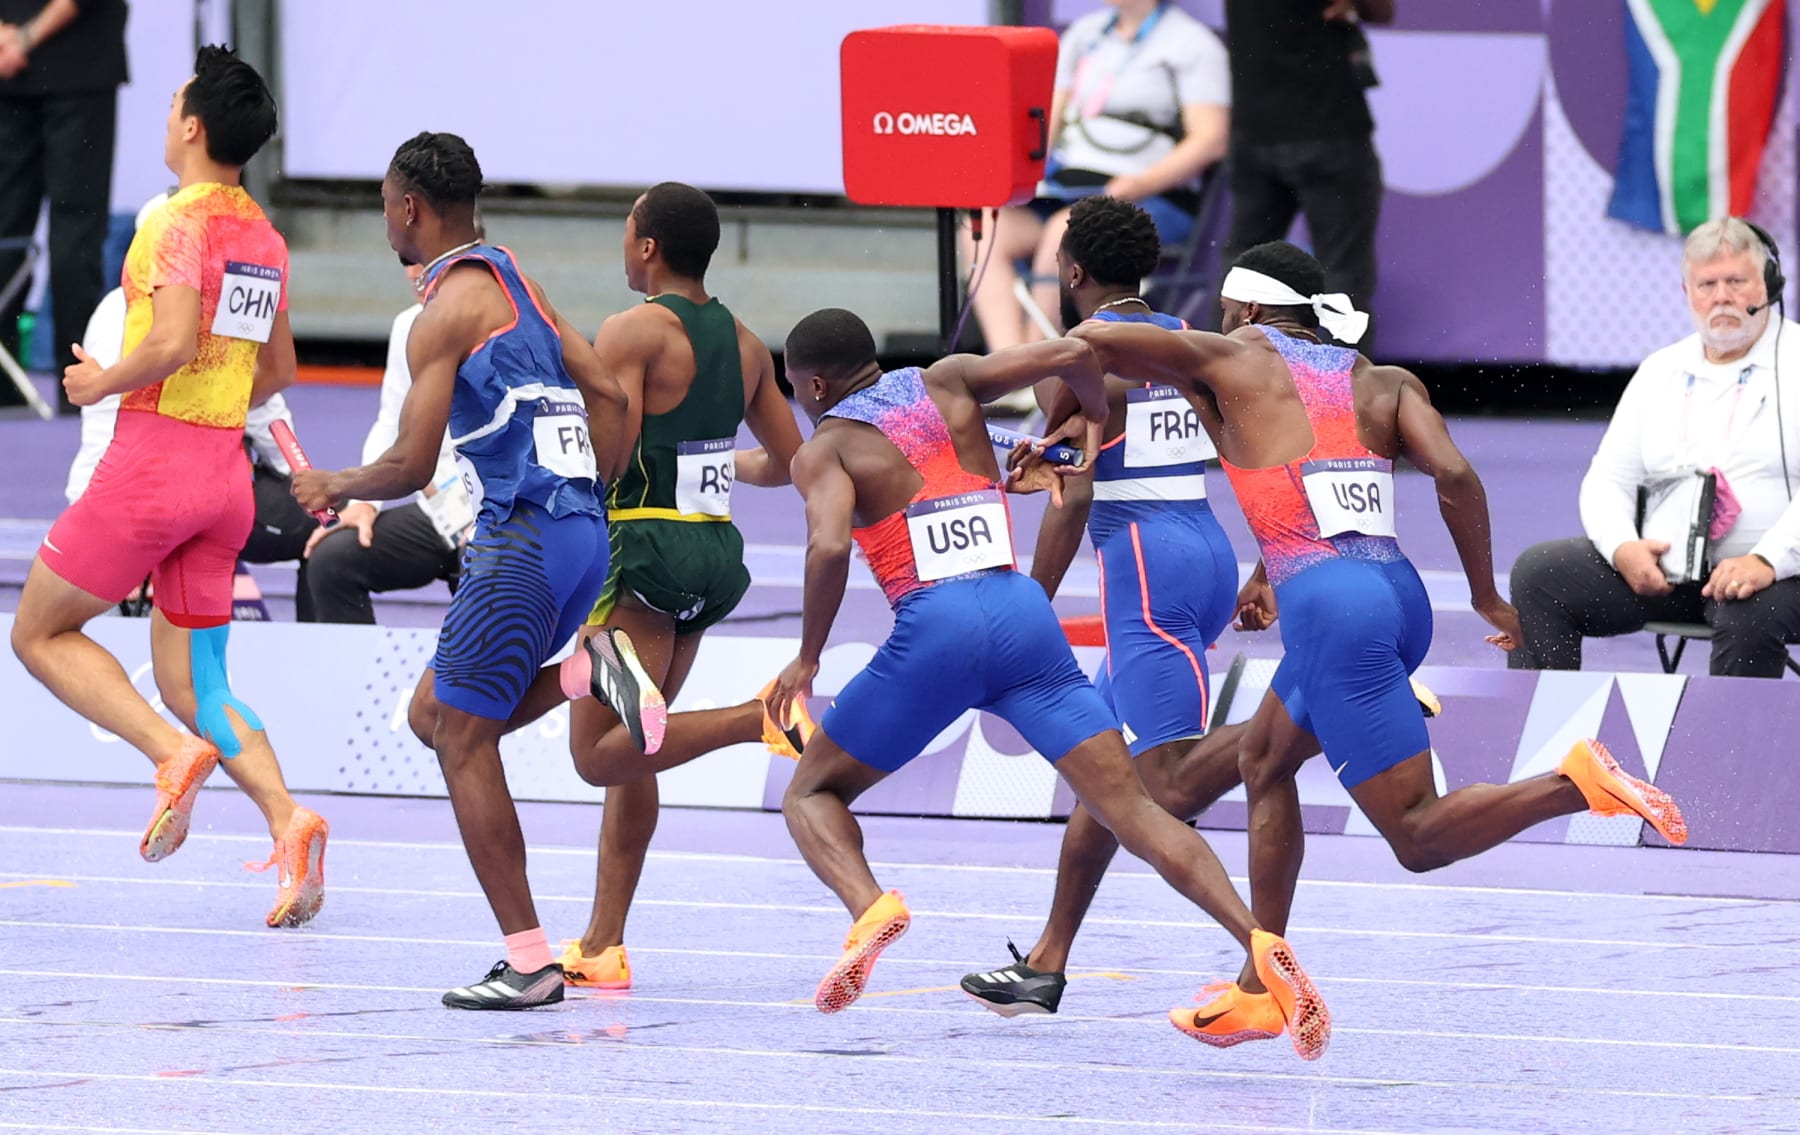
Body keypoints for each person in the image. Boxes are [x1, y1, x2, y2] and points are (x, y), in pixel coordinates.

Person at [1067, 240, 1689, 1047]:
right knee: (1264, 761)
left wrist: (1044, 410)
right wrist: (1485, 594)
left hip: (1333, 615)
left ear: (1250, 311)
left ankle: (1571, 784)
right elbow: (1454, 476)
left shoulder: (1232, 356)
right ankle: (1262, 982)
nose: (1220, 323)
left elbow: (1100, 339)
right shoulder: (1381, 380)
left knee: (1418, 837)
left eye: (1226, 311)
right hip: (1399, 595)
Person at [769, 307, 1331, 1061]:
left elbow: (830, 540)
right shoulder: (951, 378)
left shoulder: (826, 448)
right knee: (1129, 803)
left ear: (811, 384)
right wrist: (1091, 415)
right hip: (1021, 615)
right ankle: (1259, 942)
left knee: (812, 792)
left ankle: (869, 907)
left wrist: (808, 655)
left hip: (935, 630)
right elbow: (1074, 350)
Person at [291, 131, 640, 1010]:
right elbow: (612, 394)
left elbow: (410, 467)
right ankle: (579, 670)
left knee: (460, 737)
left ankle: (529, 962)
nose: (383, 223)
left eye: (382, 207)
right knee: (430, 713)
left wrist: (337, 483)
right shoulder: (520, 281)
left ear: (410, 208)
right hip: (578, 536)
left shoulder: (439, 315)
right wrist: (588, 494)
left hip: (519, 538)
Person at [9, 46, 328, 928]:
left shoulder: (174, 222)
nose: (164, 119)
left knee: (37, 632)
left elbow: (175, 340)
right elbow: (280, 369)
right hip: (224, 478)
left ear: (192, 126)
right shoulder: (261, 235)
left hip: (155, 466)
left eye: (171, 106)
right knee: (195, 680)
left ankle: (165, 753)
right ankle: (289, 820)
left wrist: (99, 382)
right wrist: (217, 395)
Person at [959, 195, 1249, 1016]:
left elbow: (1071, 495)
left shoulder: (1082, 355)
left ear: (1071, 271)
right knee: (1104, 779)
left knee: (1162, 783)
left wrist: (1031, 601)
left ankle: (1263, 952)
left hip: (1147, 571)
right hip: (1206, 548)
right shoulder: (1182, 343)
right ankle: (1046, 962)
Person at [551, 182, 809, 991]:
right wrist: (717, 461)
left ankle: (750, 717)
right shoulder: (746, 342)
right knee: (637, 756)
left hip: (639, 554)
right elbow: (790, 462)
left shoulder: (632, 331)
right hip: (709, 553)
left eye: (627, 234)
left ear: (649, 246)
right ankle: (602, 943)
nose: (623, 247)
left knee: (598, 755)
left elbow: (611, 459)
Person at [1509, 217, 1800, 678]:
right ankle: (1550, 739)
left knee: (1749, 614)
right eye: (1707, 284)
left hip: (1779, 576)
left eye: (1736, 282)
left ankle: (1728, 751)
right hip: (1670, 574)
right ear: (1687, 294)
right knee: (1541, 575)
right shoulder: (1660, 370)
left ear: (1769, 285)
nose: (1721, 297)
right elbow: (1608, 479)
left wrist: (1768, 560)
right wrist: (1624, 547)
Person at [65, 191, 313, 577]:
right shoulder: (229, 297)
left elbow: (99, 432)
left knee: (41, 629)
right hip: (198, 501)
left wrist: (83, 510)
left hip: (110, 497)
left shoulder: (112, 307)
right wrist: (306, 485)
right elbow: (271, 399)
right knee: (327, 532)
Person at [965, 0, 1229, 358]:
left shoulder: (1193, 44)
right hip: (1067, 187)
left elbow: (1210, 140)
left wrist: (1139, 184)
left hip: (1149, 196)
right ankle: (1006, 360)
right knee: (984, 228)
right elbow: (1044, 126)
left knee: (1067, 232)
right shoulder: (1084, 36)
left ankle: (1036, 362)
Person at [298, 256, 466, 624]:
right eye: (407, 261)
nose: (413, 273)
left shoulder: (506, 322)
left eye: (423, 261)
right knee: (333, 559)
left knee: (489, 571)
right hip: (440, 513)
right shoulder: (407, 325)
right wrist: (364, 503)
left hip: (500, 516)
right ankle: (352, 682)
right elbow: (391, 423)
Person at [1220, 0, 1392, 345]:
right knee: (1342, 270)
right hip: (1328, 128)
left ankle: (1220, 387)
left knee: (1241, 269)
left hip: (1255, 127)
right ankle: (1341, 391)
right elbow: (1381, 10)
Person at [0, 0, 128, 413]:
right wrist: (20, 37)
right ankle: (79, 392)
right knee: (75, 233)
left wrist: (13, 37)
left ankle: (8, 385)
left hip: (22, 64)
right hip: (76, 66)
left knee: (11, 229)